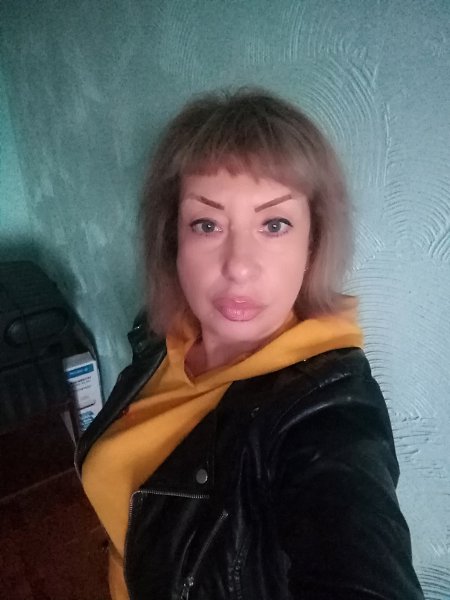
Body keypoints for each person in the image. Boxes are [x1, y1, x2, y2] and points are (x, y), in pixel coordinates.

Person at [76, 88, 425, 600]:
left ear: (313, 242)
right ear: (173, 240)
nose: (239, 265)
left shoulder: (328, 413)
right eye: (207, 224)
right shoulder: (163, 335)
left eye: (274, 224)